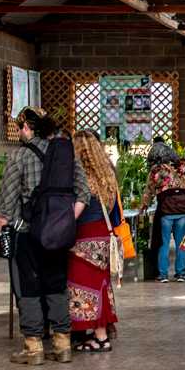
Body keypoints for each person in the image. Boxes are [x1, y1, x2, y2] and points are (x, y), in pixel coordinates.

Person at [0, 107, 90, 366]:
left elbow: (7, 201)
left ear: (27, 127)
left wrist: (9, 224)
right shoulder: (66, 155)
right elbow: (84, 193)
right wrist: (65, 221)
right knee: (57, 285)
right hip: (59, 235)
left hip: (27, 233)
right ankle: (62, 345)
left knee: (29, 288)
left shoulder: (20, 157)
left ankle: (34, 347)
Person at [68, 131, 121, 352]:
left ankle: (99, 336)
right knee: (102, 285)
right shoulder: (107, 173)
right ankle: (101, 333)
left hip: (84, 236)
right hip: (104, 234)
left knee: (82, 287)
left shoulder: (78, 174)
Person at [140, 146, 185, 283]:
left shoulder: (155, 171)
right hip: (183, 210)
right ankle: (181, 273)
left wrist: (144, 205)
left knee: (164, 243)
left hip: (166, 211)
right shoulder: (179, 167)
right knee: (182, 243)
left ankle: (163, 274)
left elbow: (148, 190)